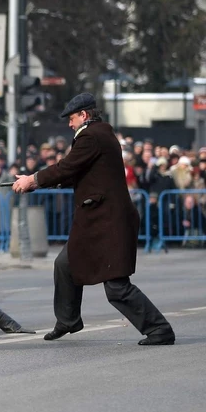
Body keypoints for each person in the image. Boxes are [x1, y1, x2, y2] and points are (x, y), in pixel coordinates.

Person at [12, 93, 175, 345]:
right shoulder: (100, 134)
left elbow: (66, 167)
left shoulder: (91, 136)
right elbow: (78, 174)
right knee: (65, 264)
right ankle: (68, 320)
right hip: (97, 220)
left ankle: (159, 329)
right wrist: (37, 185)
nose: (69, 124)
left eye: (72, 118)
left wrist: (32, 179)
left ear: (84, 115)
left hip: (109, 222)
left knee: (116, 287)